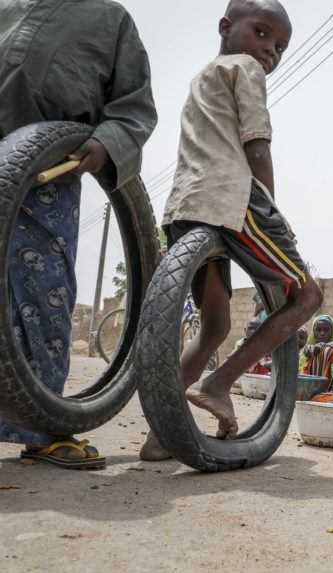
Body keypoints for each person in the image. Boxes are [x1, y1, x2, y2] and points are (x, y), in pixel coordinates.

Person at [141, 0, 323, 460]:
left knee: (216, 324)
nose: (269, 51)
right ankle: (220, 382)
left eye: (279, 46)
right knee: (308, 296)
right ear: (226, 27)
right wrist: (272, 210)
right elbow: (256, 142)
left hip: (186, 205)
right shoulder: (246, 69)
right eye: (262, 33)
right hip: (233, 201)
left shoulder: (201, 78)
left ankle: (162, 435)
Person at [0, 0, 157, 469]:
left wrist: (105, 143)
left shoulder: (110, 20)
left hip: (49, 173)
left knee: (43, 297)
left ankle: (44, 427)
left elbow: (133, 107)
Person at [300, 315, 333, 388]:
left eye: (326, 330)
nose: (322, 333)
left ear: (331, 332)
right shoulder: (306, 352)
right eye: (318, 330)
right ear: (313, 332)